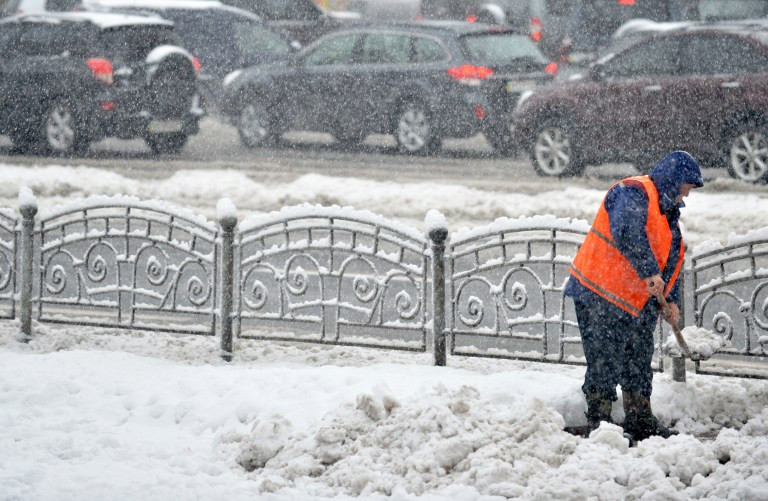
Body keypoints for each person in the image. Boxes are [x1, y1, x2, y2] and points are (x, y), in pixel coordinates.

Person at [565, 151, 704, 441]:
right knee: (605, 361)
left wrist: (672, 300)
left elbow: (672, 263)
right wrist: (649, 271)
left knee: (638, 361)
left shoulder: (670, 221)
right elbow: (627, 231)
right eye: (684, 189)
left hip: (635, 302)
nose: (685, 197)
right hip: (598, 293)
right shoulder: (633, 192)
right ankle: (600, 423)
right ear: (672, 182)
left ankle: (639, 418)